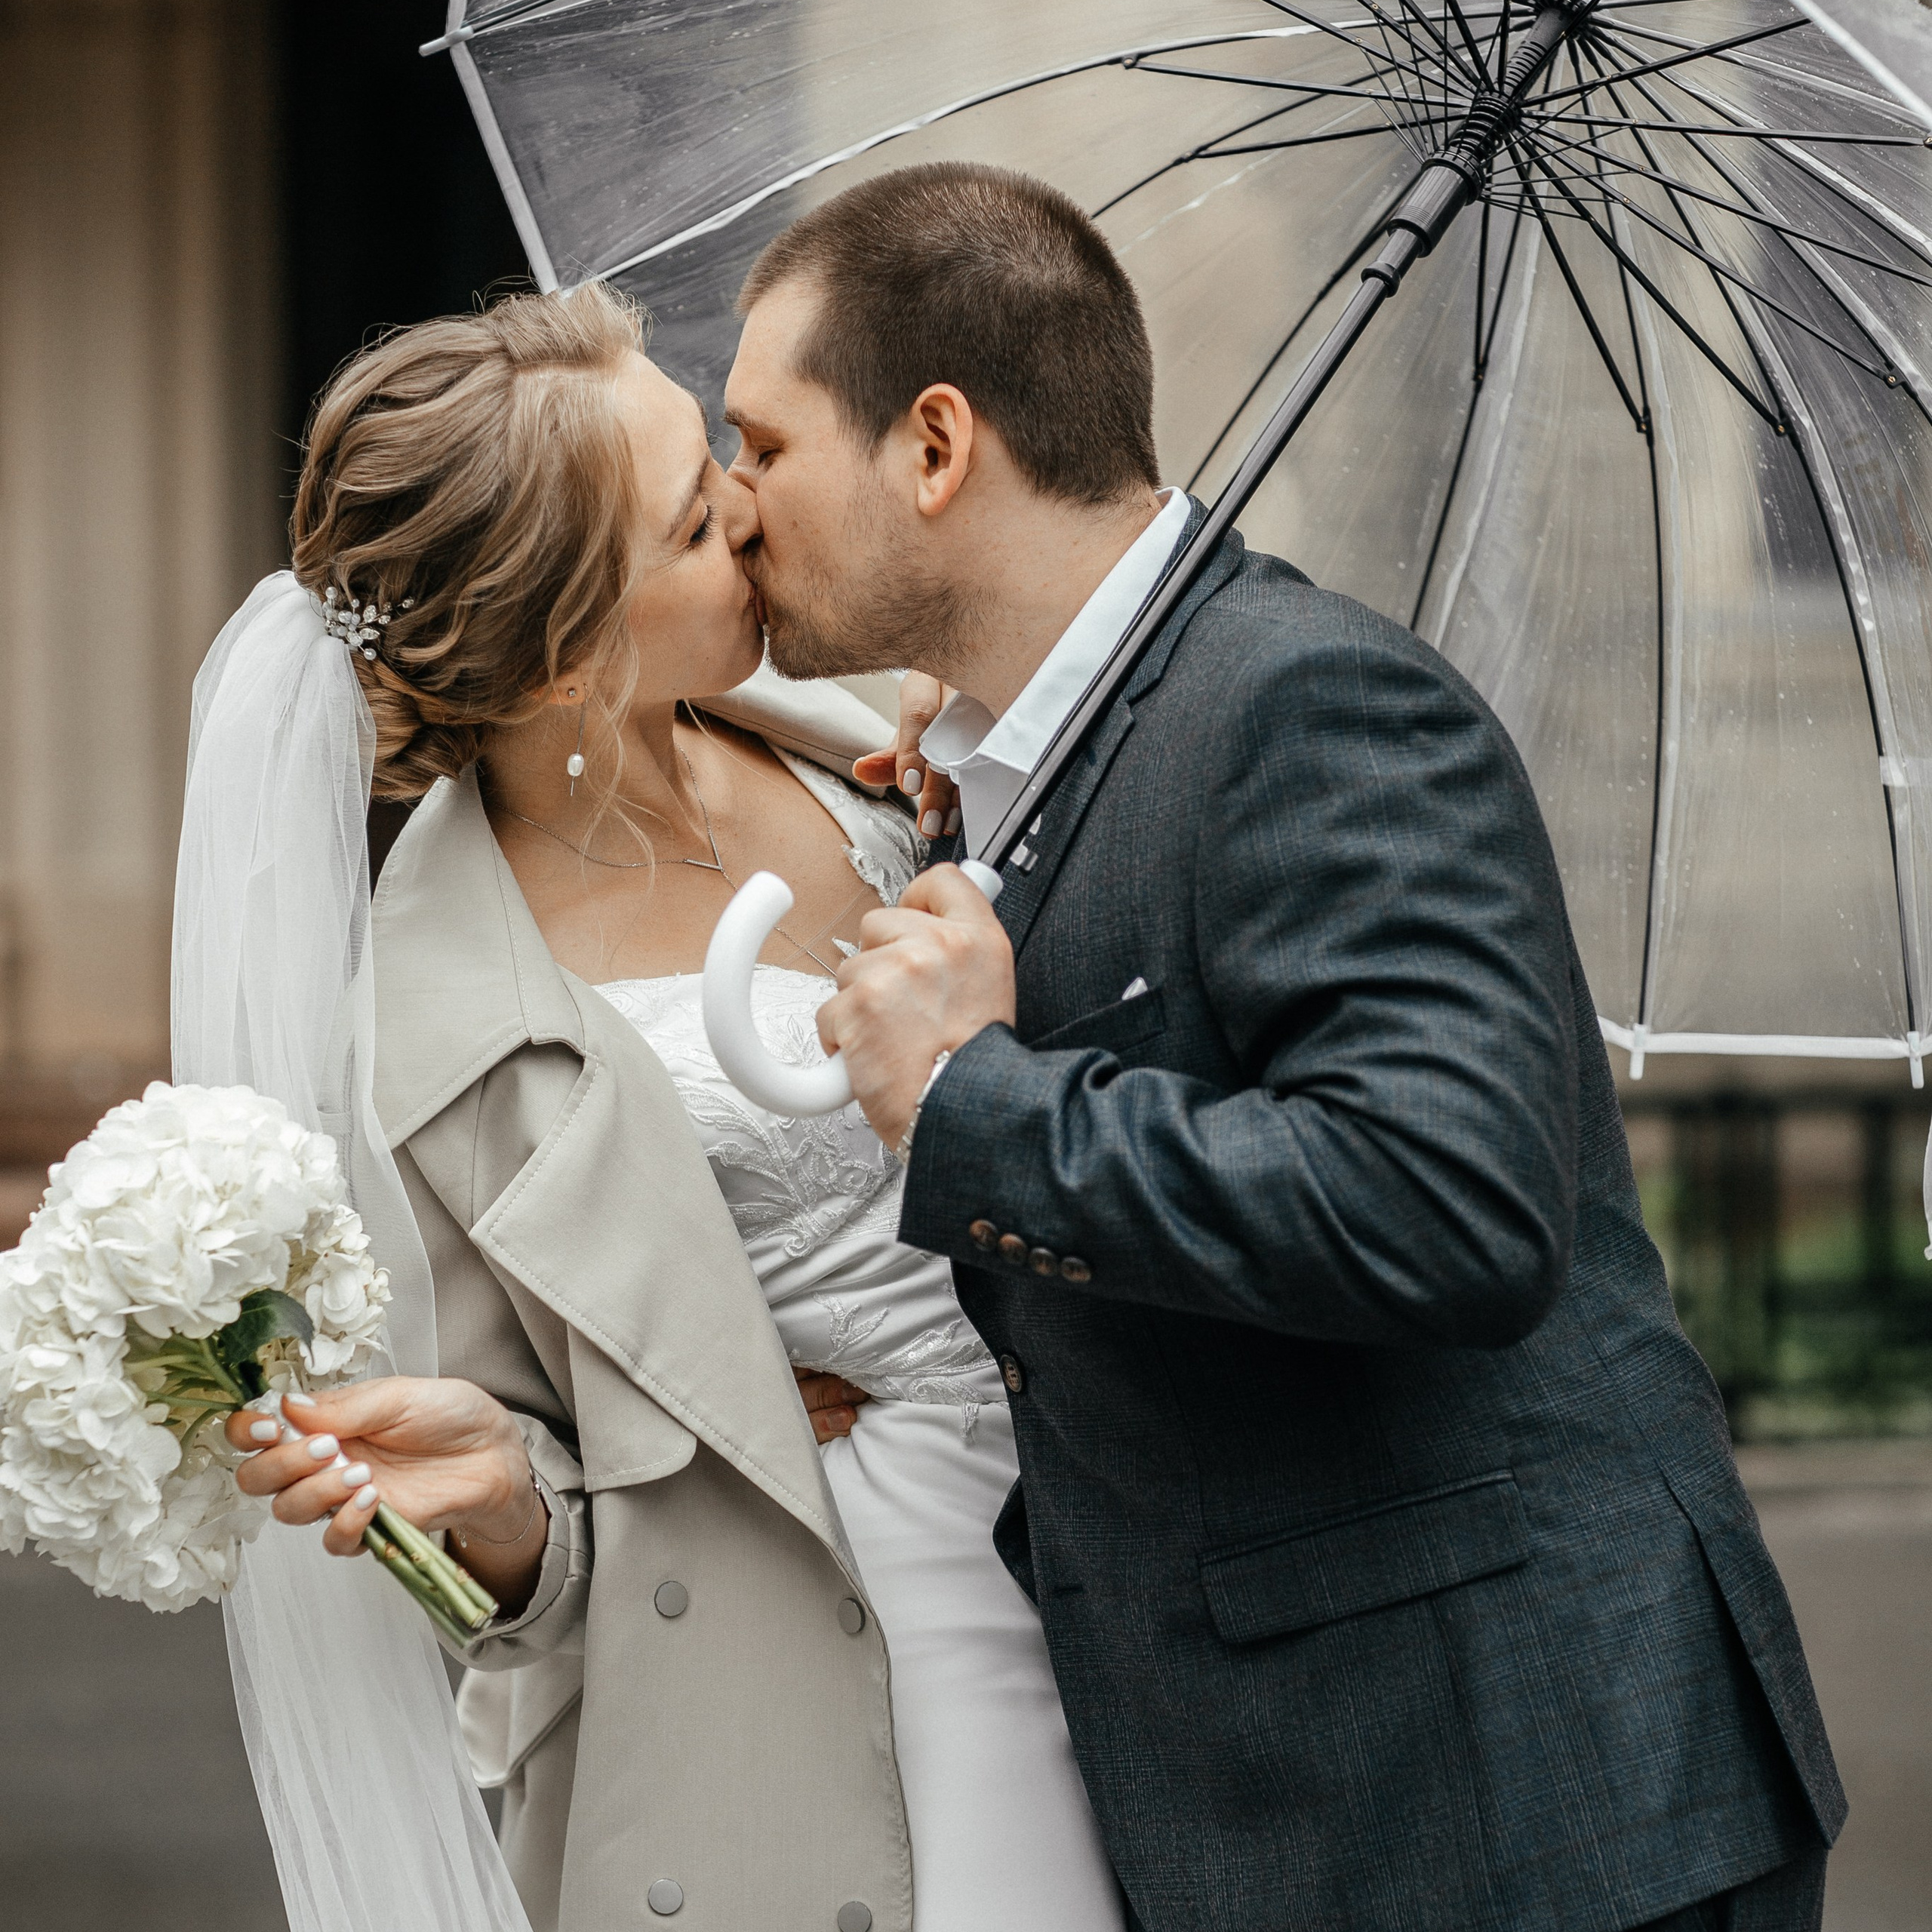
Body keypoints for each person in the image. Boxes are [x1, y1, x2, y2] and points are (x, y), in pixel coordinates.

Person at [723, 162, 1847, 1931]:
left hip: (1517, 1798)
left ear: (931, 445)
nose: (733, 506)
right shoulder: (1020, 767)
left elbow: (1444, 1199)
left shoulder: (1308, 703)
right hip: (1301, 1790)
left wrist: (971, 1097)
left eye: (761, 446)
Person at [223, 288, 1124, 1931]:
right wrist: (542, 1488)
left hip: (1108, 1516)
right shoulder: (434, 1049)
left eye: (721, 457)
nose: (750, 504)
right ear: (571, 651)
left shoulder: (859, 741)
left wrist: (984, 762)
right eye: (693, 519)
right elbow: (515, 1571)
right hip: (851, 1630)